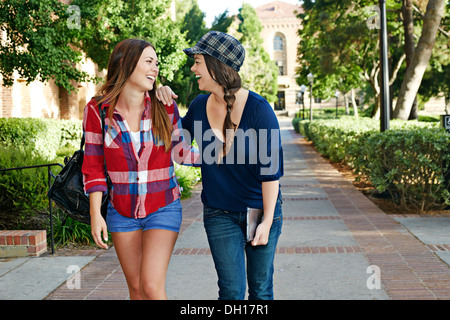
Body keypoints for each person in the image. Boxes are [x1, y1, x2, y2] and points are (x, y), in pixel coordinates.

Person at [157, 31, 284, 300]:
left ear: (217, 66)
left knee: (260, 291)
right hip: (219, 213)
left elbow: (271, 173)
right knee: (231, 292)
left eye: (198, 61)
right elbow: (179, 151)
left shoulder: (259, 110)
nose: (193, 68)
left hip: (259, 210)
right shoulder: (199, 105)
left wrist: (268, 221)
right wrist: (165, 104)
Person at [82, 38, 199, 300]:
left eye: (156, 63)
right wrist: (95, 214)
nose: (155, 68)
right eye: (148, 61)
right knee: (135, 290)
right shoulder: (97, 110)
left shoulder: (163, 104)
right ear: (125, 63)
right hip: (122, 211)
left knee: (151, 288)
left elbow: (182, 152)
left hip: (163, 206)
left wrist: (225, 153)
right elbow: (93, 166)